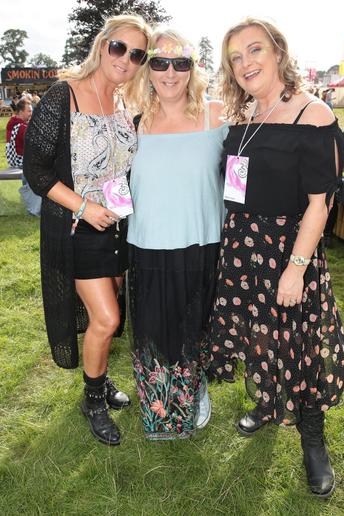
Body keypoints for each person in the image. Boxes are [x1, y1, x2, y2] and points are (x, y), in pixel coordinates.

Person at [206, 18, 344, 498]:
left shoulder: (313, 115)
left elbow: (320, 202)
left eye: (254, 50)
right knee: (260, 335)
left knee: (302, 345)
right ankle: (268, 403)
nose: (246, 63)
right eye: (235, 57)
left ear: (278, 52)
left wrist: (296, 266)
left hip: (289, 252)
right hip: (243, 247)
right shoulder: (244, 113)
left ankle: (313, 439)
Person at [23, 14, 151, 446]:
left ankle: (100, 378)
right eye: (120, 47)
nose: (126, 59)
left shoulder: (124, 106)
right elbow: (36, 170)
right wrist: (83, 205)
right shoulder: (64, 96)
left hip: (118, 229)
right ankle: (93, 400)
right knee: (107, 317)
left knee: (110, 318)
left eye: (137, 54)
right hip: (79, 228)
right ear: (102, 45)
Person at [126, 29, 227, 440]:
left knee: (196, 327)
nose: (170, 72)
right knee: (153, 329)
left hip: (202, 241)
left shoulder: (216, 116)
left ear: (192, 68)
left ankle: (195, 386)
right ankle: (159, 407)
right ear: (147, 68)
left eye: (180, 63)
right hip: (146, 243)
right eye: (160, 62)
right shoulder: (132, 122)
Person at [6, 98, 32, 168]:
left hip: (14, 161)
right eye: (29, 111)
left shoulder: (12, 122)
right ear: (21, 112)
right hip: (21, 162)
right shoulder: (20, 127)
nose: (31, 114)